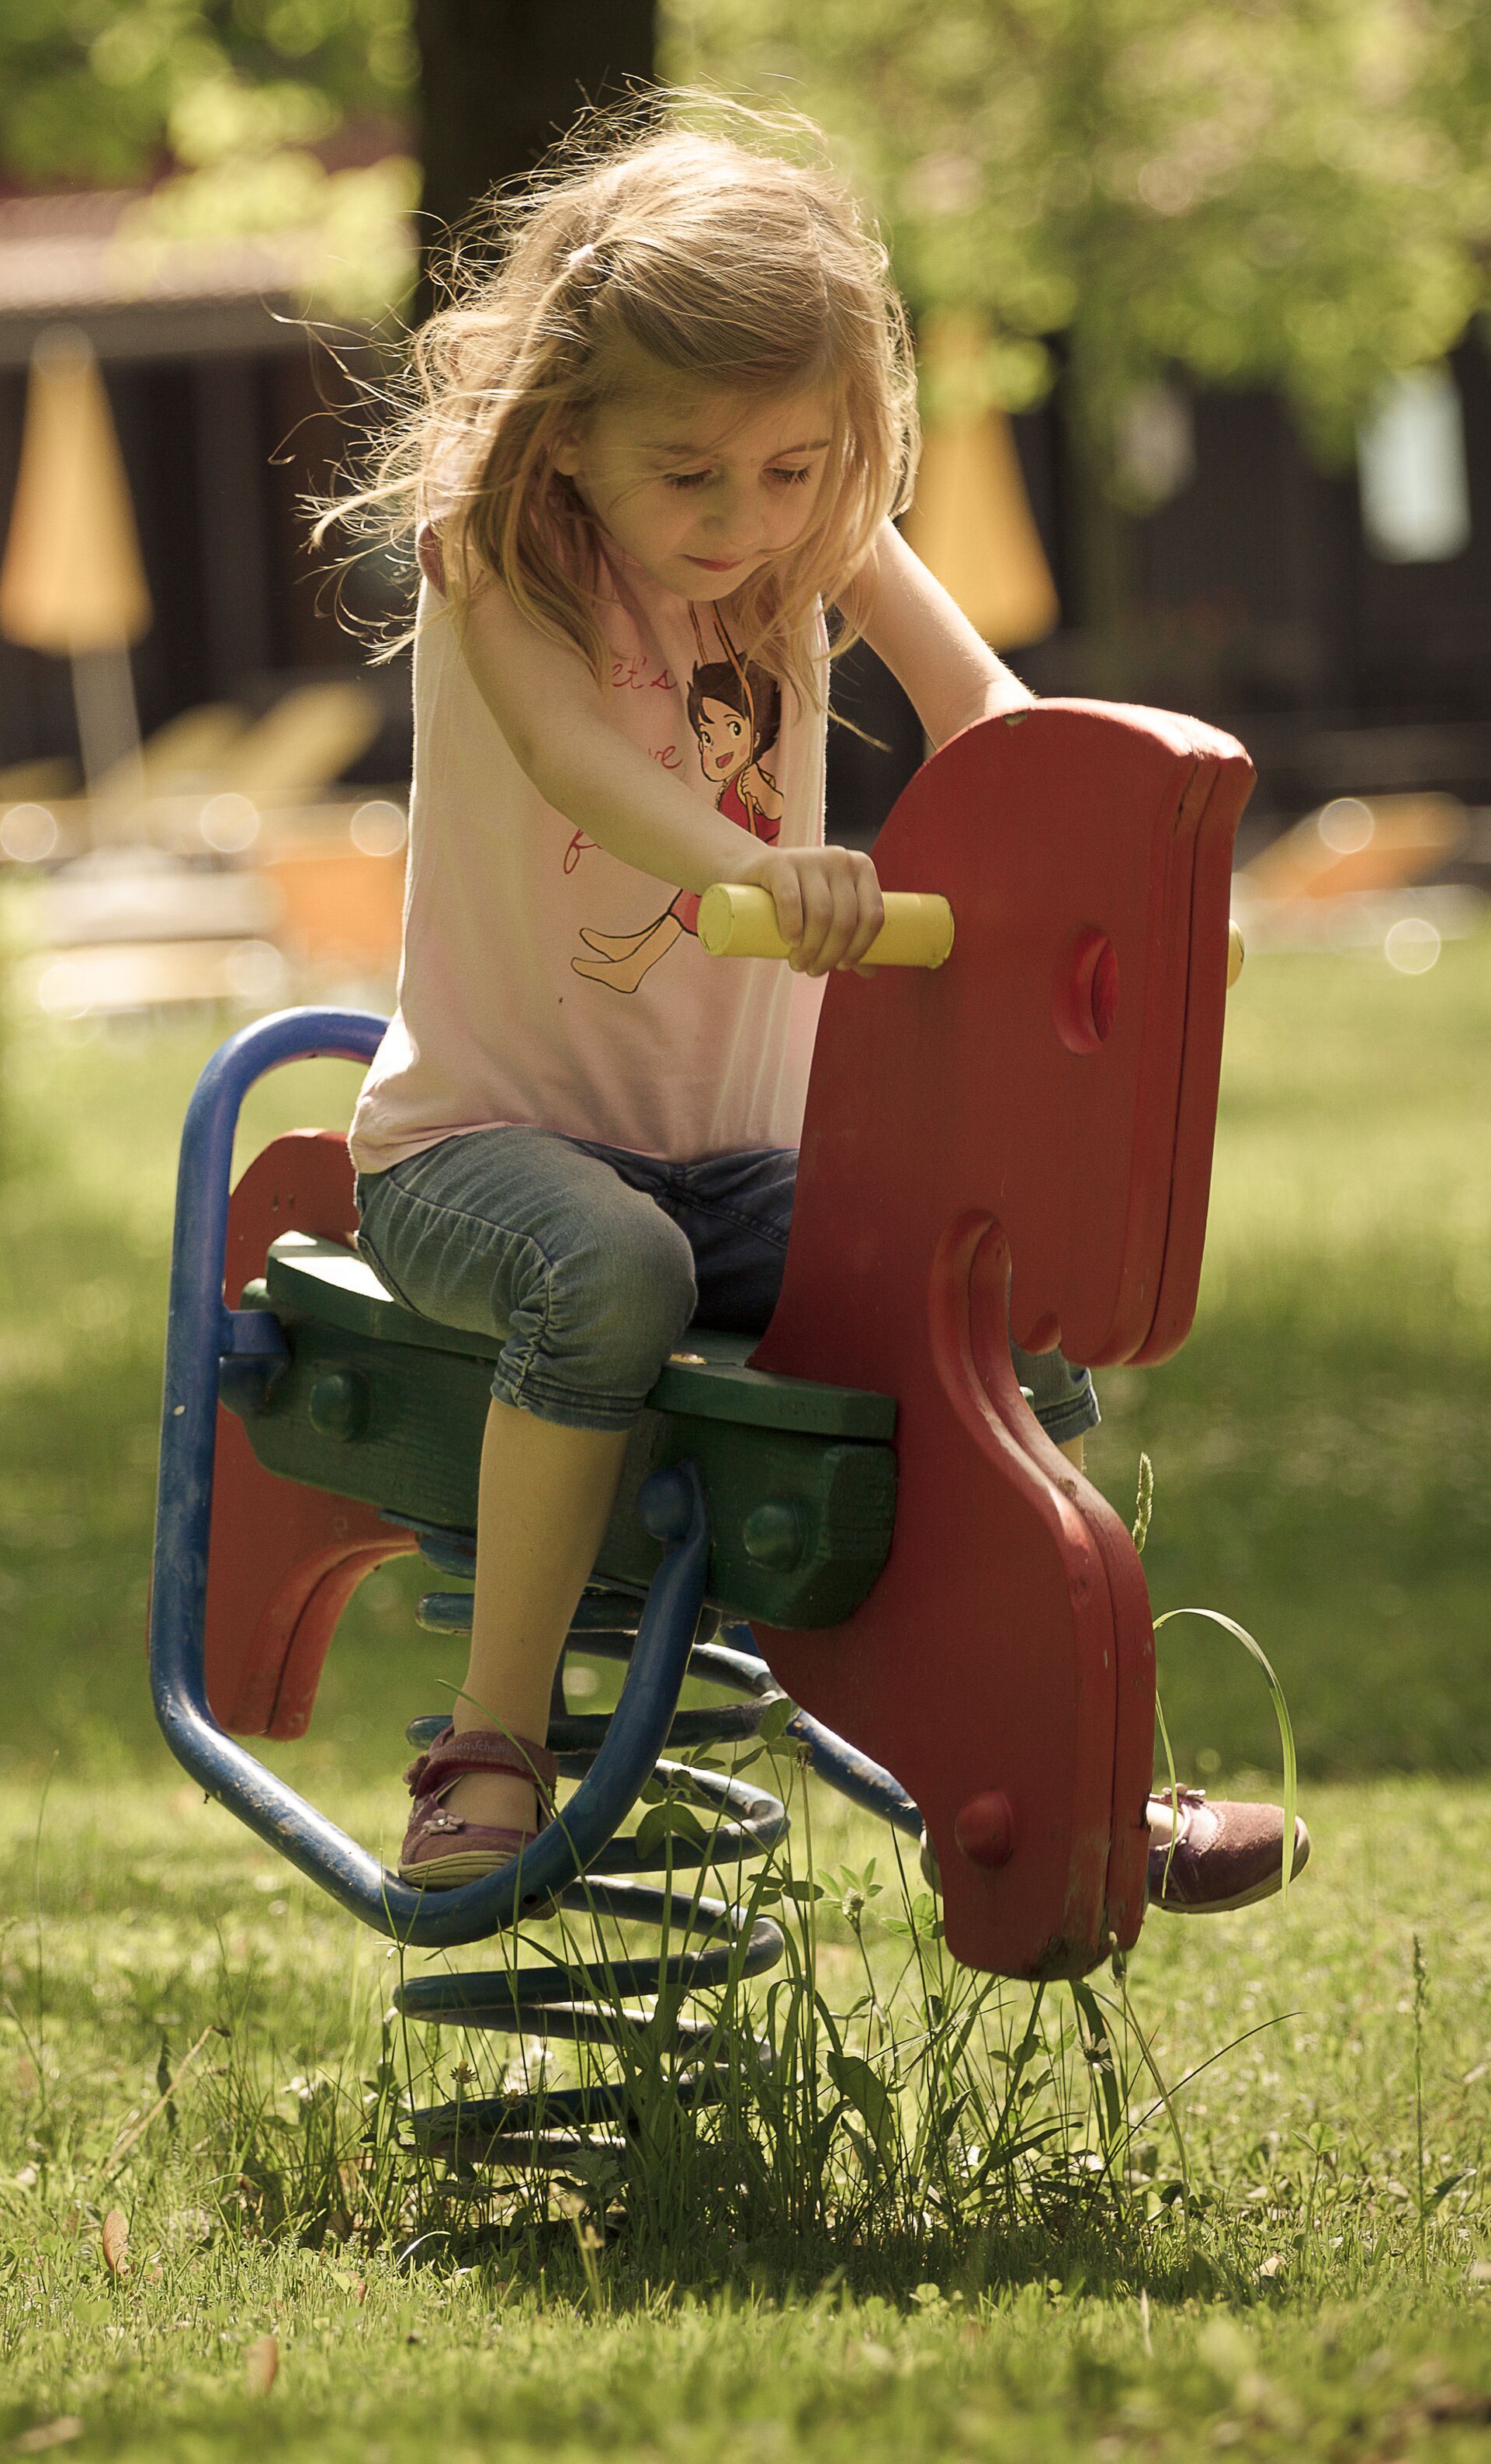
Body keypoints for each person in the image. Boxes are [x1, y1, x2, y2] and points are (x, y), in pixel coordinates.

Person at [324, 102, 1306, 1922]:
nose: (743, 518)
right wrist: (756, 868)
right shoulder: (498, 561)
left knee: (973, 1274)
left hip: (734, 1160)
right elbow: (577, 765)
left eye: (790, 468)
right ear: (565, 429)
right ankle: (489, 1738)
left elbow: (988, 714)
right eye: (688, 473)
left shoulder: (813, 534)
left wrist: (1135, 877)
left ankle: (1083, 1744)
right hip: (476, 1152)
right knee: (608, 1267)